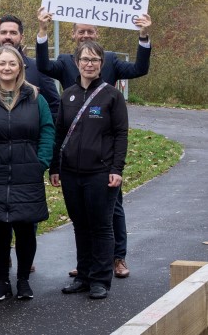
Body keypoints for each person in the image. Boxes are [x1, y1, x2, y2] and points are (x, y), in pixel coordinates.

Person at [36, 7, 151, 279]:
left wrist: (144, 37)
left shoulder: (109, 60)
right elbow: (42, 66)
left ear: (97, 33)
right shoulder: (65, 62)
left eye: (89, 31)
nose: (85, 35)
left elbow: (139, 68)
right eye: (80, 31)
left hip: (103, 153)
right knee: (83, 218)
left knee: (112, 212)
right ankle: (86, 264)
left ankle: (117, 258)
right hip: (74, 154)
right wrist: (42, 31)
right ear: (73, 35)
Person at [0, 45, 54, 302]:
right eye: (1, 63)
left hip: (26, 172)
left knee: (26, 229)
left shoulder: (36, 97)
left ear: (20, 68)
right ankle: (2, 281)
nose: (6, 68)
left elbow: (47, 131)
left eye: (11, 64)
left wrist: (41, 162)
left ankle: (24, 280)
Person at [52, 41, 129, 300]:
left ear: (101, 64)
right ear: (77, 62)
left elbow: (121, 135)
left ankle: (100, 279)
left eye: (95, 60)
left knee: (101, 226)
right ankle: (83, 276)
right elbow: (60, 132)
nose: (89, 64)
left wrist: (117, 169)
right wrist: (55, 167)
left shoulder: (112, 96)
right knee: (80, 225)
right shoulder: (68, 94)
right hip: (71, 173)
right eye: (85, 59)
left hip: (100, 172)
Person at [0, 14, 60, 117]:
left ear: (21, 37)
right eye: (3, 32)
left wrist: (44, 130)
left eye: (13, 33)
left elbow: (54, 107)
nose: (8, 37)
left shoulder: (37, 68)